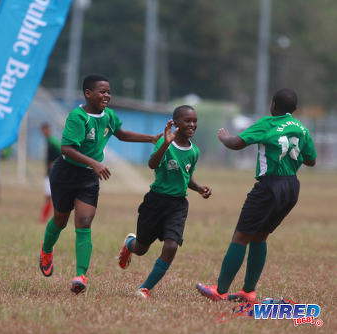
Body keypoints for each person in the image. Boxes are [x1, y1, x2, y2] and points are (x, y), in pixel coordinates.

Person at [38, 73, 162, 294]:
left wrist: (151, 138)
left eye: (108, 92)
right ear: (88, 93)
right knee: (60, 220)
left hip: (87, 178)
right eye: (102, 91)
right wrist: (95, 163)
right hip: (65, 174)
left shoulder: (109, 116)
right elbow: (67, 149)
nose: (107, 95)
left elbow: (121, 134)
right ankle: (46, 250)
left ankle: (80, 275)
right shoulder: (77, 117)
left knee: (84, 222)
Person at [196, 88, 317, 302]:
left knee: (241, 236)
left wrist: (225, 137)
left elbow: (236, 144)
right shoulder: (302, 129)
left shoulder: (268, 123)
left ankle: (220, 290)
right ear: (295, 109)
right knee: (260, 236)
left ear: (273, 106)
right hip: (291, 188)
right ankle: (248, 291)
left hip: (269, 186)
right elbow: (311, 160)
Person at [118, 105, 212, 299]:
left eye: (195, 121)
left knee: (171, 246)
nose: (192, 124)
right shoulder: (164, 141)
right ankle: (129, 244)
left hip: (178, 205)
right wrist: (165, 144)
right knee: (141, 249)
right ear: (175, 123)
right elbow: (152, 164)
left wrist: (199, 188)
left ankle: (144, 288)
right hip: (155, 202)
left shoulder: (194, 151)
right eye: (187, 121)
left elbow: (187, 178)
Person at [39, 122, 61, 224]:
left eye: (46, 129)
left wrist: (55, 163)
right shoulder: (48, 141)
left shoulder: (53, 141)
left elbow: (63, 152)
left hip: (53, 174)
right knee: (49, 197)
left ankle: (44, 218)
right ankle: (45, 217)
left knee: (49, 197)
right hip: (49, 173)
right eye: (43, 130)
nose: (45, 132)